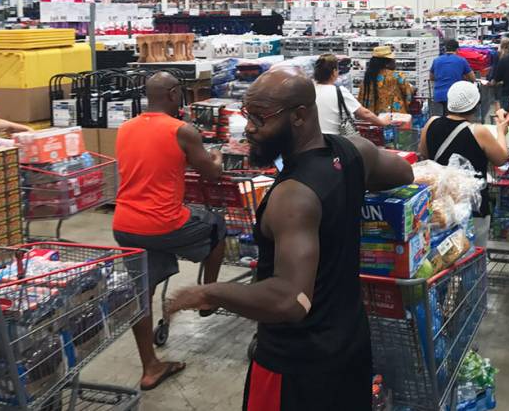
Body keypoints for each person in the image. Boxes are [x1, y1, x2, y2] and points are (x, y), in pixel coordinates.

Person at [166, 69, 414, 411]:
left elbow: (291, 301)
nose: (249, 128)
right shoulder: (354, 152)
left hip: (296, 366)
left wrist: (208, 292)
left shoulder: (293, 196)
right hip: (349, 343)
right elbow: (403, 173)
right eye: (246, 115)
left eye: (260, 118)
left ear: (299, 115)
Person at [112, 71, 225, 391]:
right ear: (174, 94)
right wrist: (215, 155)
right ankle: (209, 296)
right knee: (217, 223)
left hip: (125, 224)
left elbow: (151, 162)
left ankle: (150, 367)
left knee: (140, 295)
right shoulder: (183, 130)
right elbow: (212, 172)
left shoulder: (125, 127)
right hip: (164, 223)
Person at [419, 81, 509, 247]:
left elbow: (424, 154)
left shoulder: (431, 123)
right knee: (472, 255)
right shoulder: (478, 131)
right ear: (476, 105)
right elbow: (501, 158)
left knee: (441, 253)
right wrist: (501, 132)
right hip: (472, 205)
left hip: (439, 203)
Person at [313, 54, 387, 135]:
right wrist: (382, 122)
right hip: (333, 139)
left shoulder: (310, 89)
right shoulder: (339, 91)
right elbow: (365, 114)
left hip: (313, 138)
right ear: (334, 72)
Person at [358, 45, 414, 115]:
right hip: (394, 117)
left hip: (373, 118)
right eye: (393, 60)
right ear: (387, 63)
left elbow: (361, 98)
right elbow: (408, 93)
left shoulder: (368, 77)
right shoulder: (397, 76)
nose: (395, 61)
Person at [429, 39, 475, 116]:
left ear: (445, 49)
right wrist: (462, 77)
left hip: (438, 95)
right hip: (455, 95)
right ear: (457, 49)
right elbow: (472, 78)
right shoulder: (461, 61)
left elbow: (431, 77)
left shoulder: (436, 60)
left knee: (441, 117)